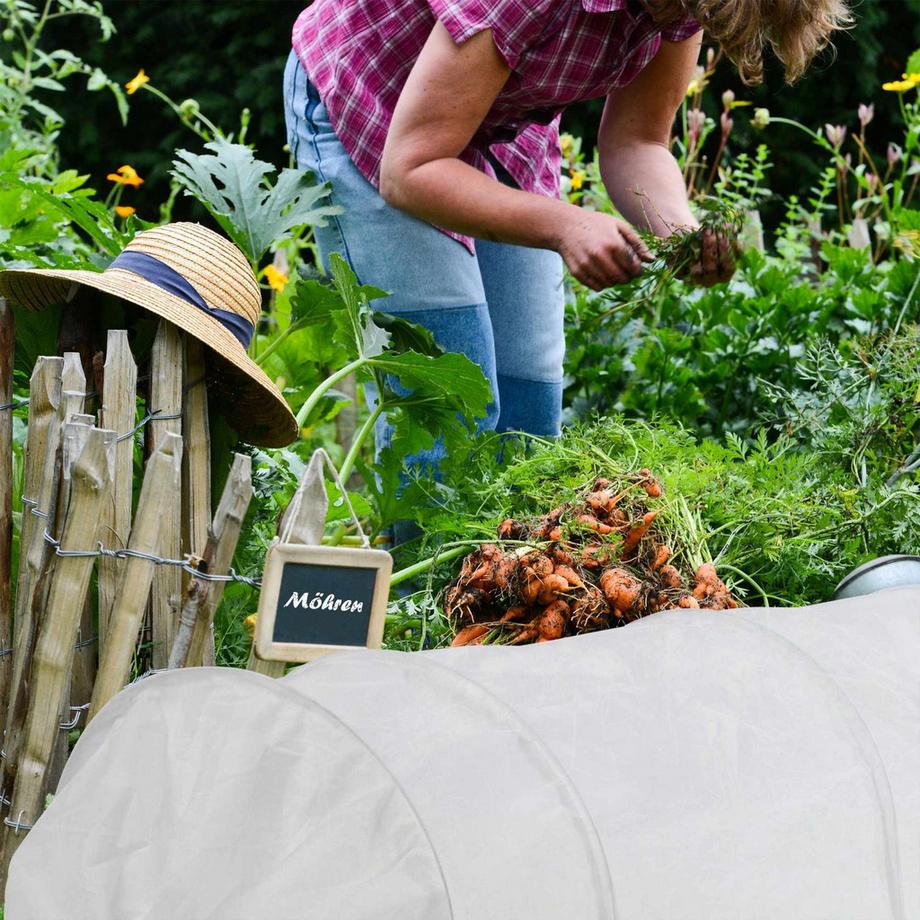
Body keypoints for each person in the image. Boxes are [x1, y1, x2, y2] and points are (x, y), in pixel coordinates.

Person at [283, 0, 851, 444]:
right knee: (447, 413)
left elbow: (638, 141)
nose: (692, 23)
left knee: (527, 414)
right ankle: (424, 568)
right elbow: (412, 170)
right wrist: (566, 226)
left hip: (498, 127)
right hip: (373, 106)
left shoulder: (680, 9)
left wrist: (679, 231)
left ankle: (506, 567)